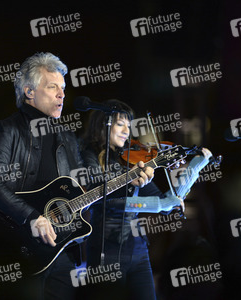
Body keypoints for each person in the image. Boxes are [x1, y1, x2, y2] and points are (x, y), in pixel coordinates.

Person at [0, 53, 152, 300]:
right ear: (29, 92)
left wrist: (128, 180)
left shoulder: (67, 137)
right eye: (52, 87)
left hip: (61, 251)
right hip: (18, 248)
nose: (62, 94)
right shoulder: (8, 130)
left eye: (63, 88)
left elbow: (86, 188)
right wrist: (32, 217)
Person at [80, 99, 212, 299]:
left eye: (129, 125)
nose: (126, 130)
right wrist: (156, 202)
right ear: (103, 125)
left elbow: (166, 203)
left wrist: (194, 168)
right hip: (106, 249)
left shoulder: (131, 159)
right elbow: (98, 199)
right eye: (120, 123)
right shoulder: (90, 156)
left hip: (138, 249)